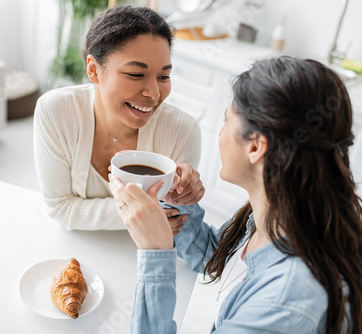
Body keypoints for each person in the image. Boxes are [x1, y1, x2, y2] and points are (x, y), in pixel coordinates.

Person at [109, 56, 362, 333]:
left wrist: (155, 253)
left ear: (255, 147)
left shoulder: (285, 304)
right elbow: (221, 259)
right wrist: (177, 203)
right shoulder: (282, 217)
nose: (220, 133)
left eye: (226, 121)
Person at [34, 6, 204, 231]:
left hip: (142, 256)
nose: (154, 93)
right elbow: (58, 208)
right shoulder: (56, 111)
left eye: (164, 76)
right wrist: (141, 212)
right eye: (136, 74)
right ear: (94, 70)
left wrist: (185, 196)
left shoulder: (182, 132)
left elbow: (171, 221)